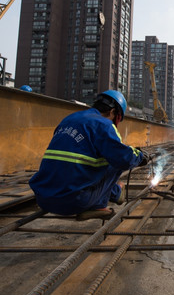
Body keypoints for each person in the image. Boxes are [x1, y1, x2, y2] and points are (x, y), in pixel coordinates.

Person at [29, 90, 150, 221]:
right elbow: (123, 158)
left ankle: (115, 192)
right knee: (115, 160)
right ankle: (99, 205)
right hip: (73, 202)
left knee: (95, 159)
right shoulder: (104, 125)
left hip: (42, 198)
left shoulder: (69, 119)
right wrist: (139, 156)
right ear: (112, 112)